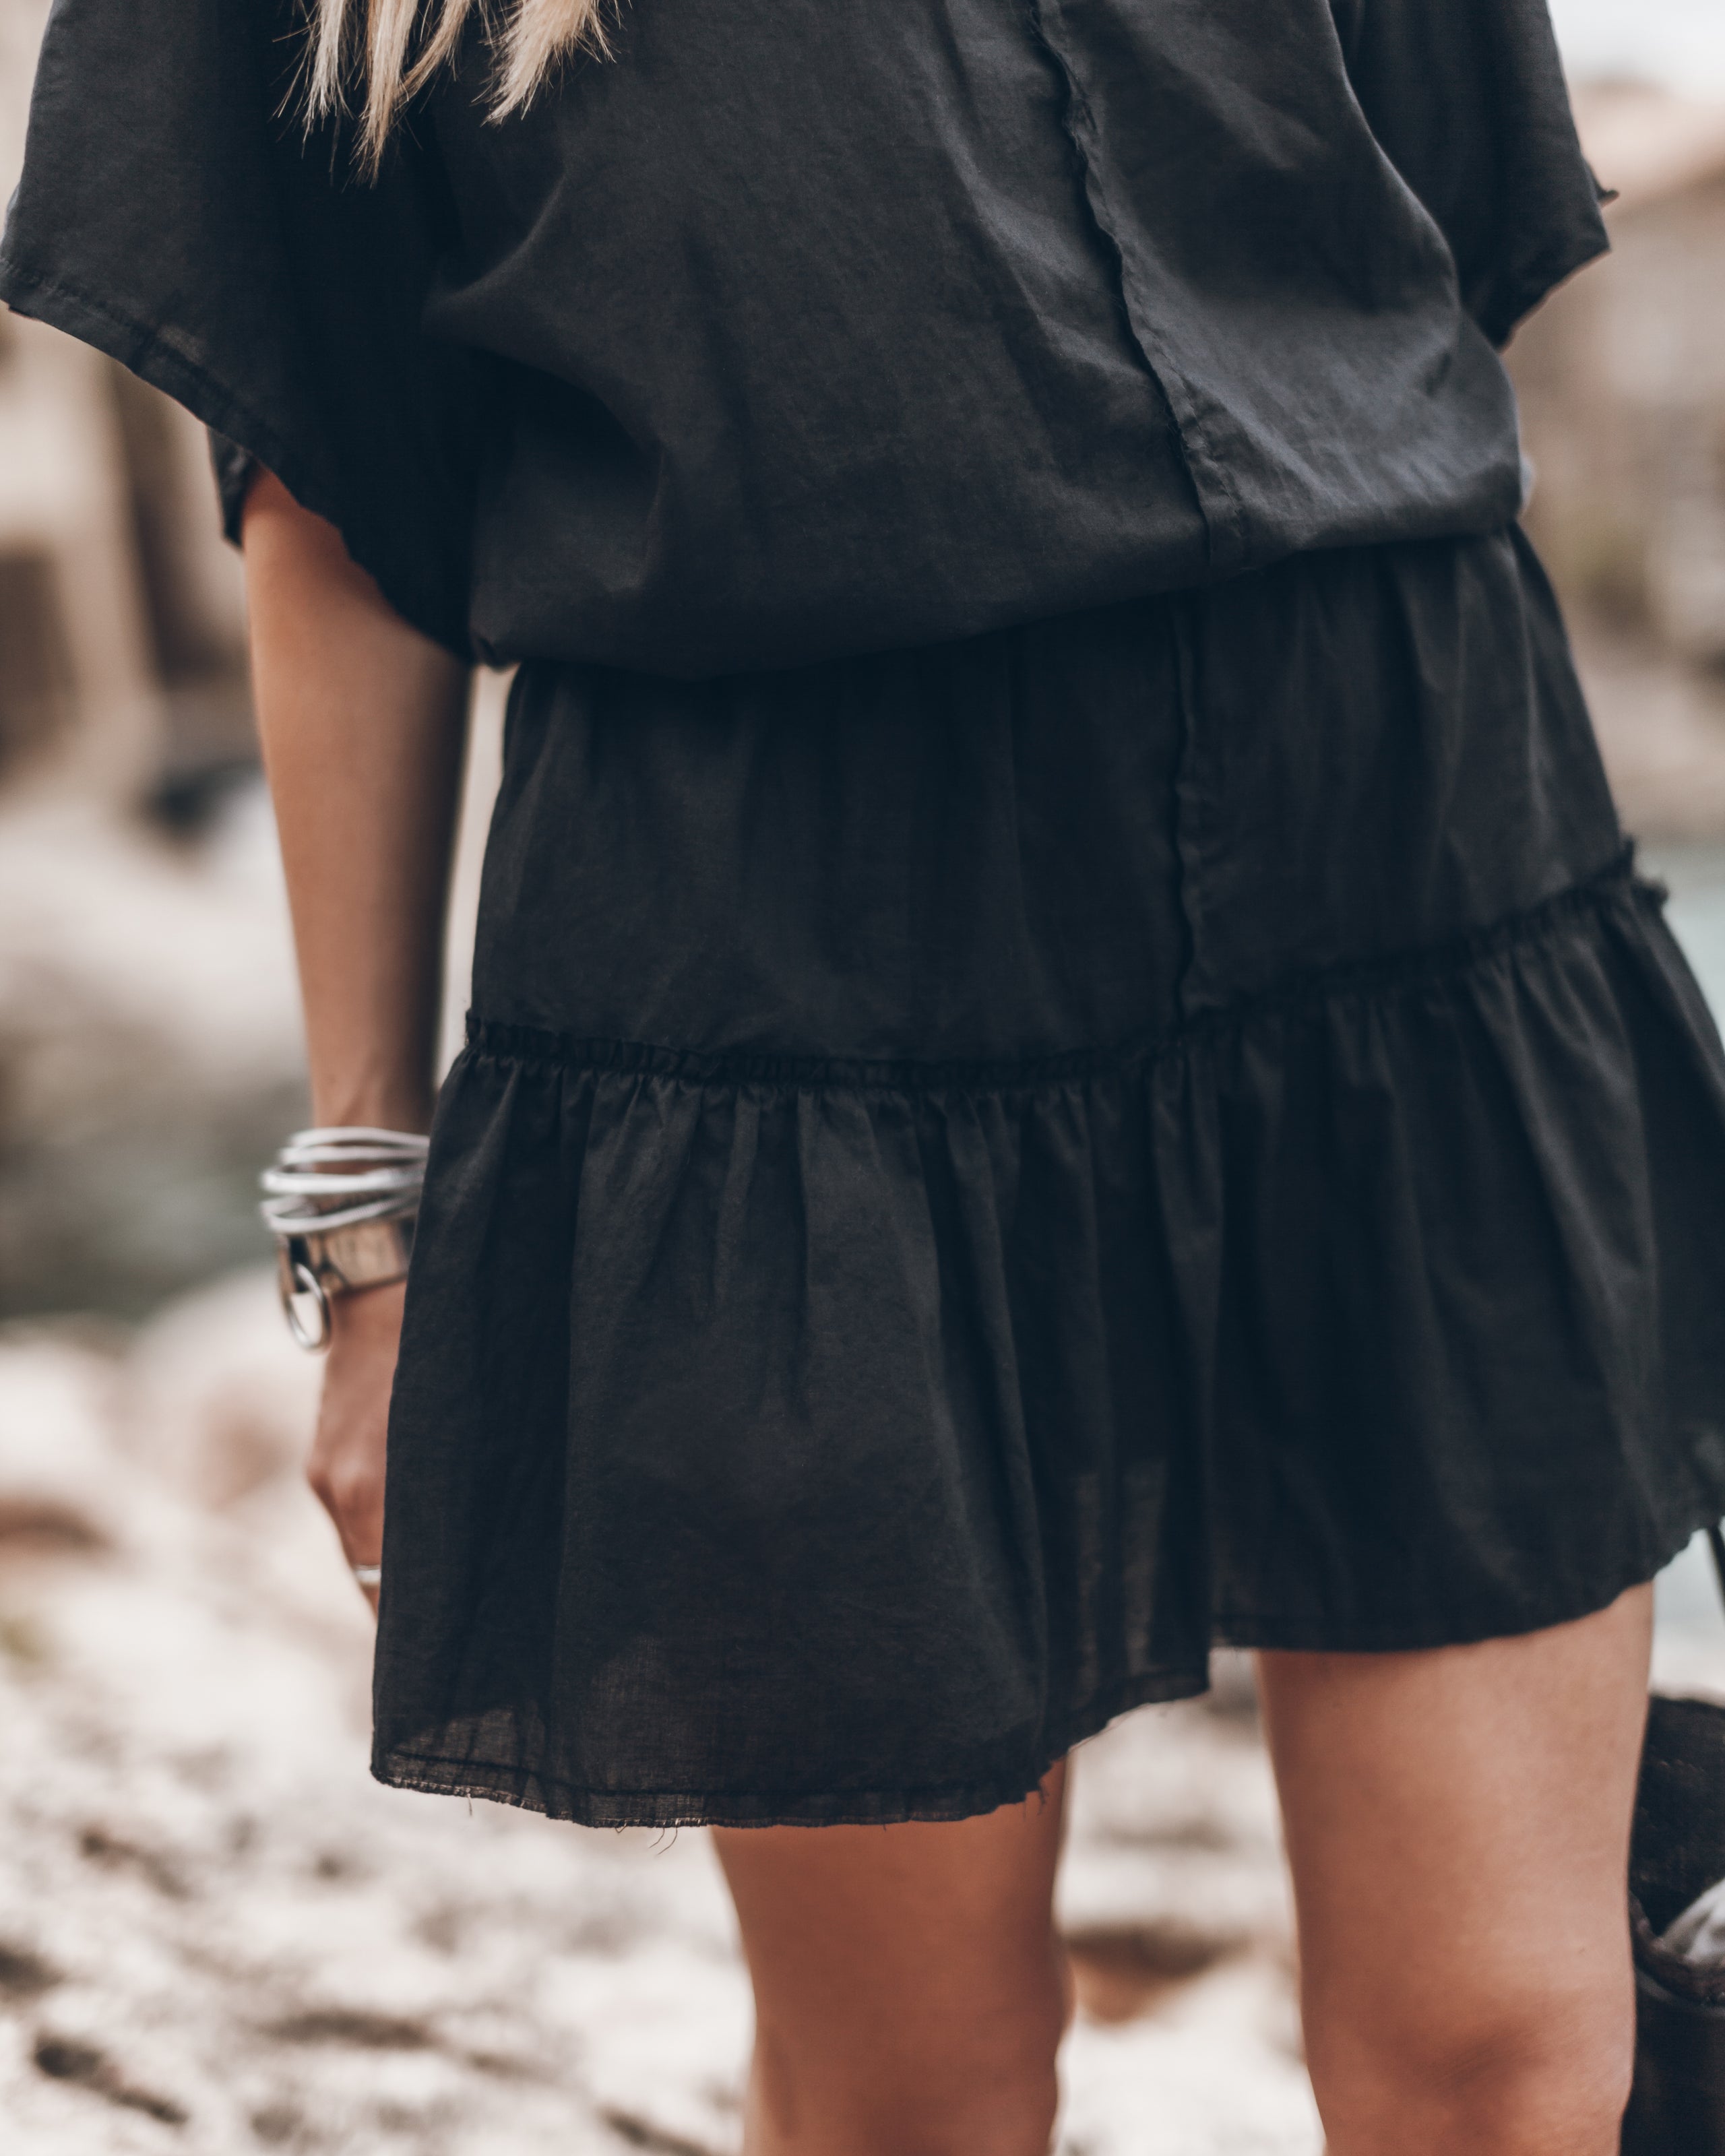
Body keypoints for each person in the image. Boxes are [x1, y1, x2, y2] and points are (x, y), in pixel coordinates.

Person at [7, 1, 1725, 2147]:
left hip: (1414, 887)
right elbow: (338, 489)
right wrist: (371, 1214)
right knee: (910, 2096)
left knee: (1510, 2056)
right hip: (778, 1003)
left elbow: (1407, 267)